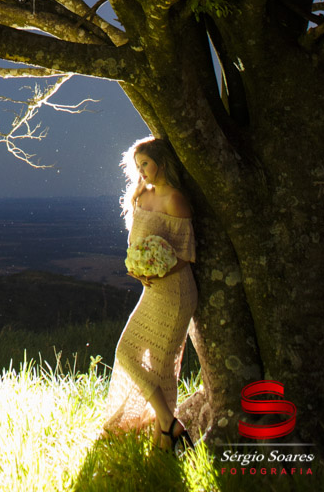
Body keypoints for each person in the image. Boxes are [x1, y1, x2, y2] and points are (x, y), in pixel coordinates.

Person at [102, 135, 198, 452]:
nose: (141, 171)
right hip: (152, 290)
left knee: (161, 362)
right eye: (137, 165)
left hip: (175, 292)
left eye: (146, 163)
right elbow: (138, 242)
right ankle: (168, 428)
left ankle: (166, 431)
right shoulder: (141, 195)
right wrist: (138, 266)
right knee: (129, 354)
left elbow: (186, 254)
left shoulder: (175, 199)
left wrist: (156, 269)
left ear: (162, 162)